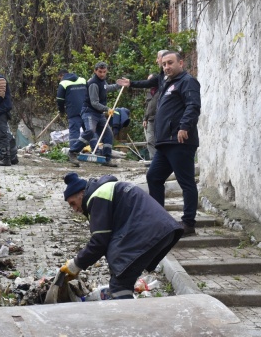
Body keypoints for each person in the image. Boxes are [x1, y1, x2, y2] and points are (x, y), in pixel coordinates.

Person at [60, 172, 184, 299]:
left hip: (148, 232)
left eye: (73, 203)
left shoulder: (97, 197)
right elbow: (109, 241)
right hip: (159, 229)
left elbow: (99, 242)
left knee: (120, 285)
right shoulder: (105, 190)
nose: (74, 209)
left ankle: (125, 317)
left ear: (81, 193)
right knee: (121, 275)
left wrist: (76, 264)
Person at [146, 51, 201, 236]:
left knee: (186, 182)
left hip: (180, 141)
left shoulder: (187, 81)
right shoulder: (169, 83)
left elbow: (193, 105)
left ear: (181, 63)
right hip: (165, 143)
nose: (167, 67)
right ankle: (159, 221)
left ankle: (188, 223)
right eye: (164, 64)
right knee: (153, 177)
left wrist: (184, 126)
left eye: (170, 63)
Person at [70, 62, 124, 167]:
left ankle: (106, 159)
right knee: (90, 131)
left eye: (104, 72)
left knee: (108, 134)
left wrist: (119, 85)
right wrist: (107, 109)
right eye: (100, 72)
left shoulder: (102, 81)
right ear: (95, 71)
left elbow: (107, 88)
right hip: (89, 112)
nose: (102, 74)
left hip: (99, 114)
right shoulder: (93, 83)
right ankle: (73, 152)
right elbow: (94, 102)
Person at [55, 69, 88, 167]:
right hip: (86, 110)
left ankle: (73, 155)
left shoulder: (63, 83)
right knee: (89, 131)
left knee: (74, 133)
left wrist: (61, 111)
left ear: (61, 75)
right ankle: (97, 152)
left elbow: (60, 99)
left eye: (59, 78)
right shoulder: (82, 80)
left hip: (73, 111)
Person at [143, 74, 159, 159]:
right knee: (150, 140)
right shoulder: (149, 92)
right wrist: (145, 119)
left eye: (150, 80)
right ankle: (153, 160)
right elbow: (148, 107)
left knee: (159, 141)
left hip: (160, 119)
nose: (149, 82)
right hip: (150, 119)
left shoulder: (162, 90)